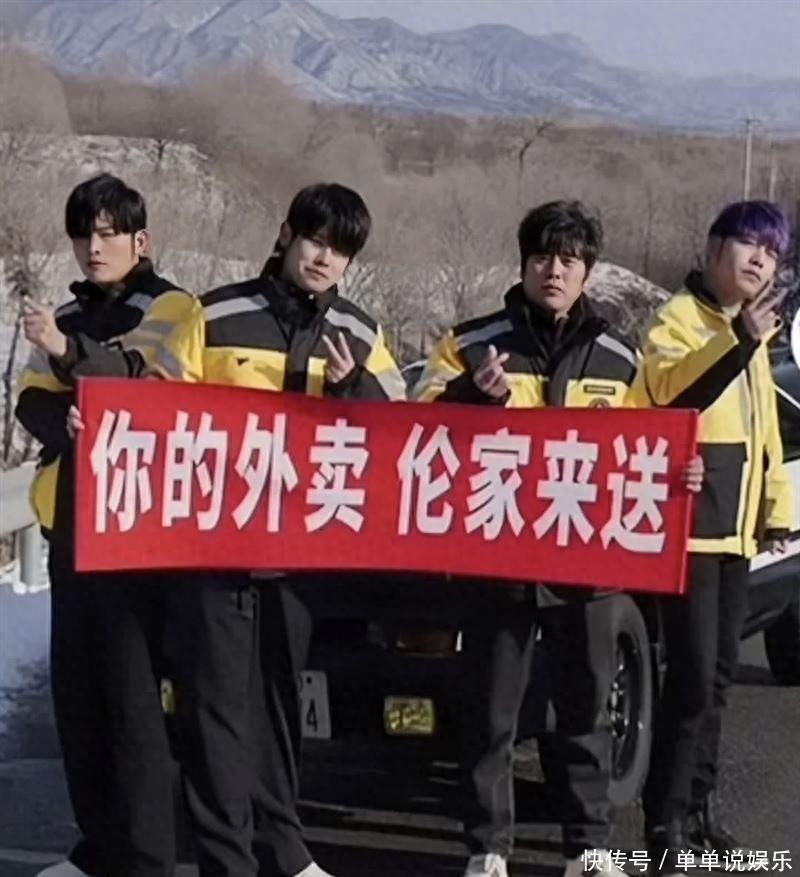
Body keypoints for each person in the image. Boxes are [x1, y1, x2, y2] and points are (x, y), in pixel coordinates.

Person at [414, 200, 703, 877]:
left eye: (569, 260)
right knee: (490, 711)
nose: (554, 270)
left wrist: (679, 470)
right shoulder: (472, 343)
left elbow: (650, 441)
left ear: (587, 272)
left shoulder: (619, 355)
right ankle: (488, 846)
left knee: (587, 707)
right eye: (542, 257)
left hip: (587, 560)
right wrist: (470, 394)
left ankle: (587, 845)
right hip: (495, 557)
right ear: (522, 264)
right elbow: (415, 425)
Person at [152, 182, 406, 877]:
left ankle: (283, 848)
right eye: (316, 240)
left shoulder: (360, 333)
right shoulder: (214, 314)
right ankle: (225, 858)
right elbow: (154, 410)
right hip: (215, 548)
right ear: (288, 234)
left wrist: (354, 389)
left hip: (302, 554)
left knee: (279, 701)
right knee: (213, 708)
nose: (325, 259)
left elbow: (401, 434)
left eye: (341, 251)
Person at [15, 173, 195, 877]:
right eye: (83, 235)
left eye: (108, 233)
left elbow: (140, 381)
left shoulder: (172, 306)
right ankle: (99, 849)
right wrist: (66, 411)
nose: (94, 247)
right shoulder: (66, 313)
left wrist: (69, 358)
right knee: (79, 702)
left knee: (132, 705)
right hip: (69, 524)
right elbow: (31, 399)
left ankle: (147, 857)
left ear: (139, 241)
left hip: (138, 532)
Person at [635, 201, 794, 865]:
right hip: (689, 531)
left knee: (720, 676)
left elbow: (765, 430)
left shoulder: (747, 330)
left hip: (735, 531)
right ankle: (663, 819)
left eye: (772, 253)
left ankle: (697, 806)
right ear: (712, 248)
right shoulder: (679, 321)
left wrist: (777, 505)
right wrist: (741, 341)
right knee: (693, 676)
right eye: (749, 245)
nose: (761, 260)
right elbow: (672, 397)